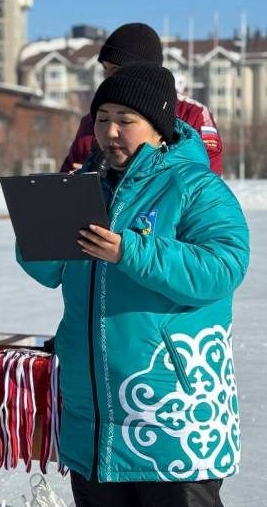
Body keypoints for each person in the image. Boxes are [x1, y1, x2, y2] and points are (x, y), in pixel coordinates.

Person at [18, 63, 249, 507]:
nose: (111, 132)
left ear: (159, 128)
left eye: (126, 120)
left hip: (171, 419)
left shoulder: (195, 186)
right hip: (92, 419)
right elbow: (49, 272)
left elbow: (223, 266)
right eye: (102, 119)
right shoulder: (89, 186)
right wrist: (39, 223)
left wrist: (130, 251)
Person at [60, 23, 223, 175]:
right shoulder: (92, 120)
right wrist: (78, 181)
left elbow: (205, 179)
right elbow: (64, 181)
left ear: (146, 71)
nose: (108, 78)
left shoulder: (193, 114)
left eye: (116, 69)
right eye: (105, 68)